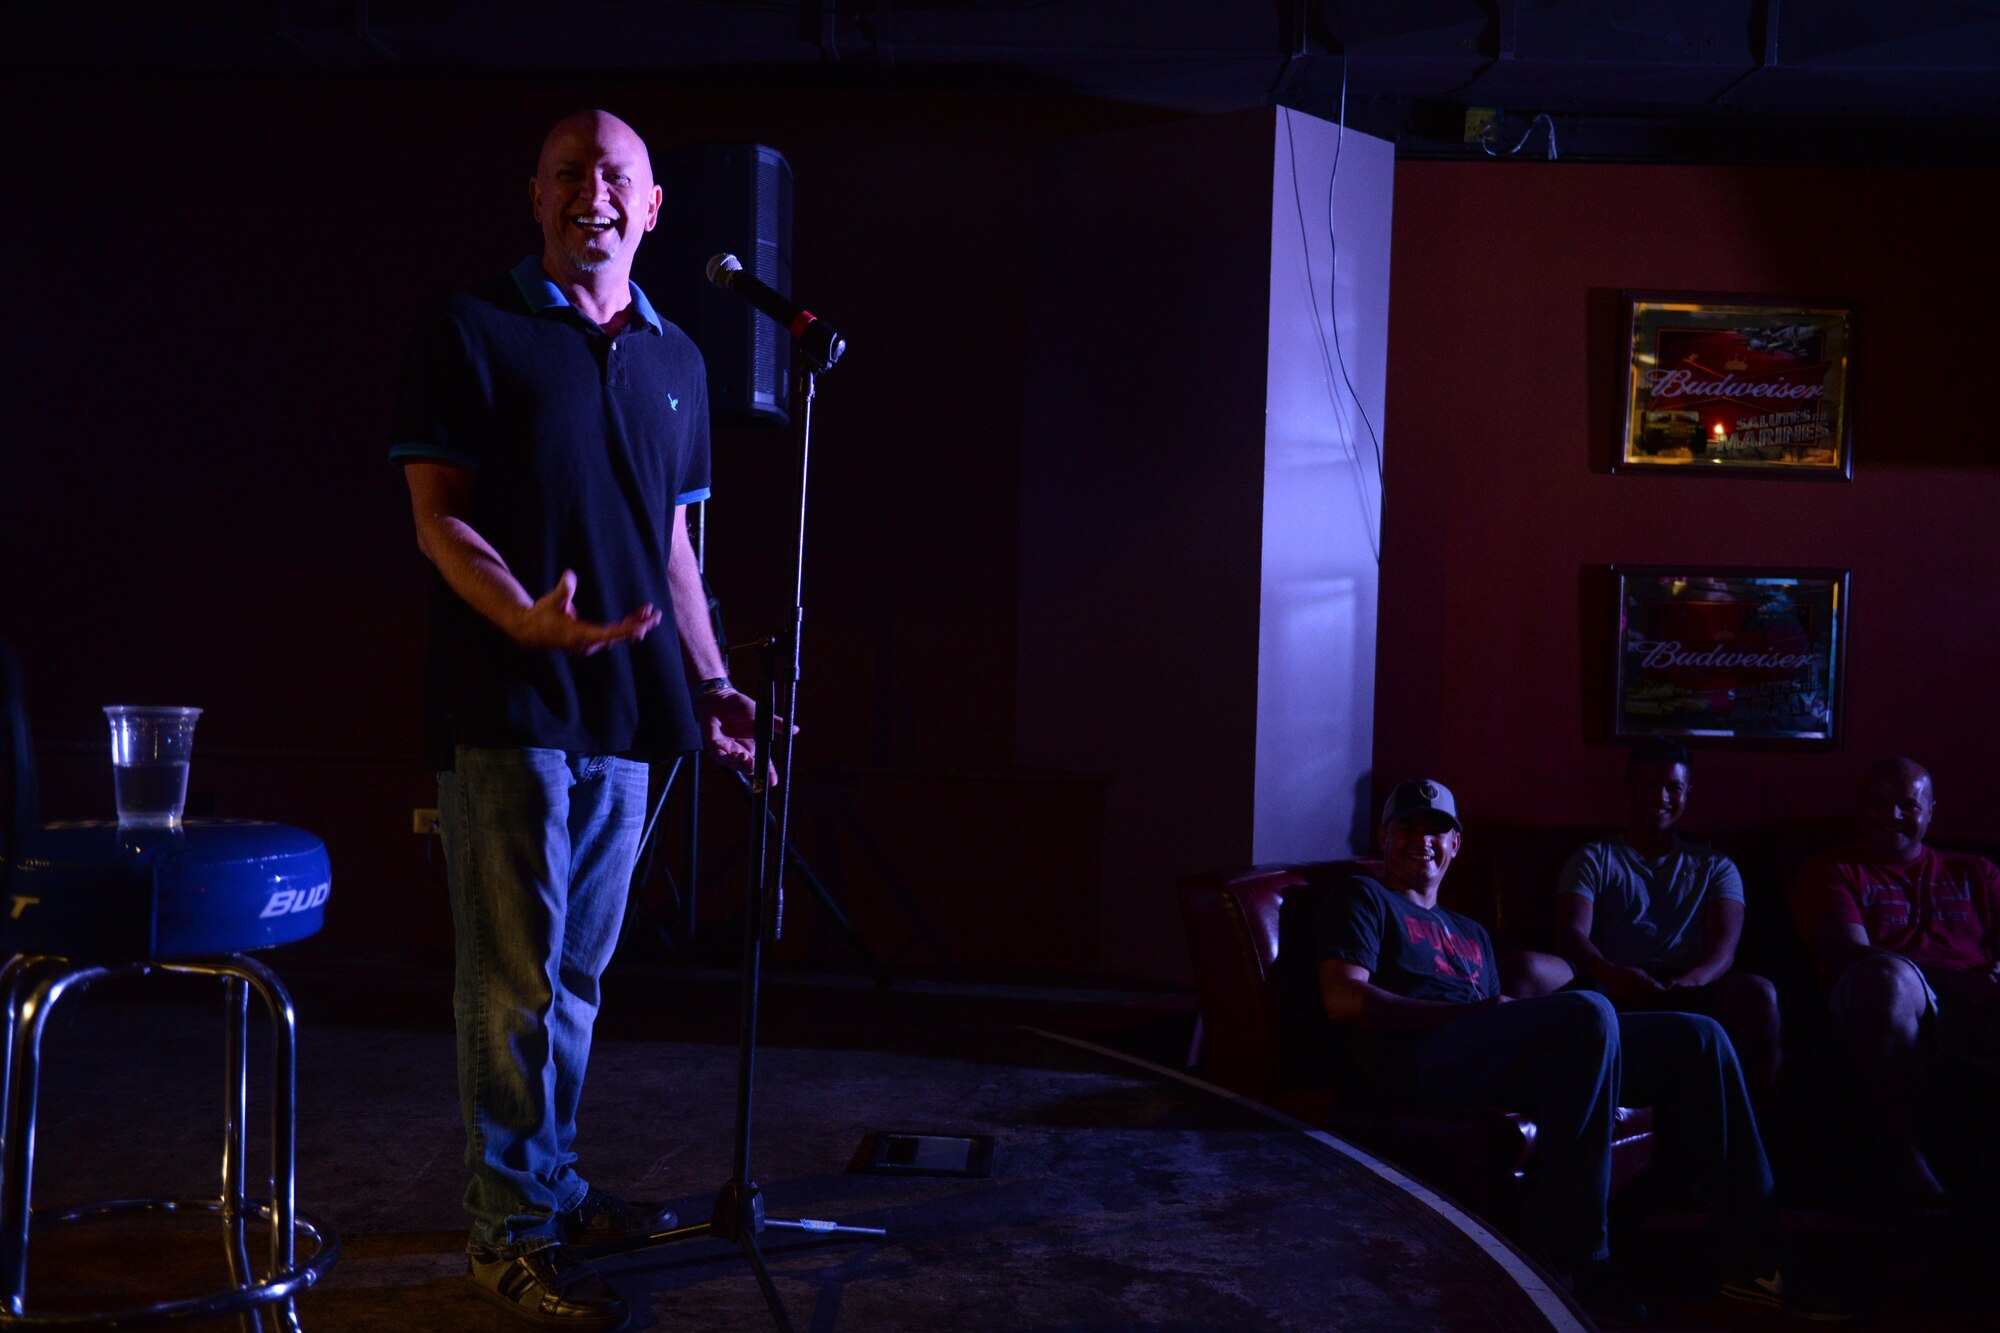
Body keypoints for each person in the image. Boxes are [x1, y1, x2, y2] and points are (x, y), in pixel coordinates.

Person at [392, 109, 766, 1330]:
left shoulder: (676, 360)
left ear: (651, 208)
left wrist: (709, 685)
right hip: (509, 703)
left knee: (579, 975)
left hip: (630, 717)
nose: (589, 192)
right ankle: (507, 1236)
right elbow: (439, 514)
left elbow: (674, 549)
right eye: (567, 173)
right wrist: (521, 618)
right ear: (535, 196)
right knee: (513, 981)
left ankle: (544, 1186)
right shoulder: (472, 326)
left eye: (614, 176)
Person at [1318, 780, 1794, 1324]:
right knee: (1587, 1012)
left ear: (1456, 844)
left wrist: (1515, 1015)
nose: (1421, 841)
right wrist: (1473, 1015)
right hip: (1418, 1055)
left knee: (1697, 1036)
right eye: (1407, 828)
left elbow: (1507, 1021)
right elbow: (1344, 999)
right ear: (1384, 837)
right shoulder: (1362, 897)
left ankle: (1753, 1257)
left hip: (1483, 1054)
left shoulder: (1468, 929)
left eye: (1436, 830)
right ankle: (1574, 1257)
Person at [1792, 757, 2000, 1208]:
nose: (1892, 816)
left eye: (1908, 805)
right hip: (1883, 1000)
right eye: (1878, 803)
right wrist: (1957, 984)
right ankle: (1906, 1164)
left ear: (1930, 812)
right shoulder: (1834, 869)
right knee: (1887, 978)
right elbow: (1851, 953)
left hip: (1980, 999)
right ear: (1860, 807)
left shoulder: (1978, 872)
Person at [1554, 739, 1781, 1105]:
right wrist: (1613, 974)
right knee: (1533, 972)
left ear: (1687, 793)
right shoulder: (1593, 858)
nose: (1660, 796)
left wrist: (1685, 984)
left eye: (1672, 787)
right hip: (1610, 980)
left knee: (1759, 992)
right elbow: (1571, 933)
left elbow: (1724, 949)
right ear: (1629, 788)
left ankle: (1755, 1127)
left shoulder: (1716, 867)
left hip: (1691, 986)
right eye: (1648, 784)